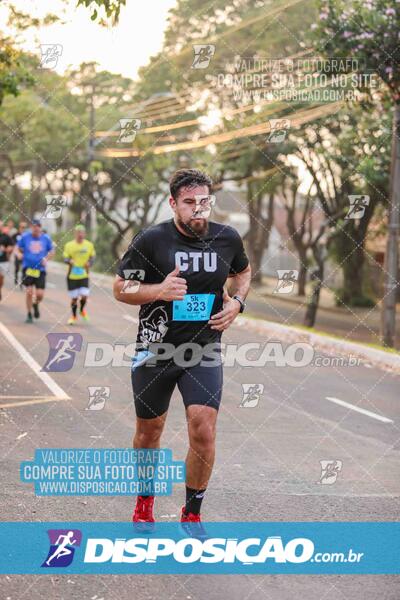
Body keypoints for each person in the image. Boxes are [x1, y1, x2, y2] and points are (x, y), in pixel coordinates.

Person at [114, 168, 251, 534]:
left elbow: (244, 273)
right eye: (189, 202)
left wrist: (237, 302)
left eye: (203, 201)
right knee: (149, 432)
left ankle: (192, 513)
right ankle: (145, 502)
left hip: (203, 350)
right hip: (154, 351)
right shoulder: (151, 240)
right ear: (173, 203)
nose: (198, 209)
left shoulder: (228, 238)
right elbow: (120, 288)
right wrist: (158, 291)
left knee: (203, 428)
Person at [17, 219, 54, 323]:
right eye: (34, 226)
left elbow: (52, 250)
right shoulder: (25, 237)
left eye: (38, 226)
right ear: (31, 227)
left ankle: (36, 304)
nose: (36, 228)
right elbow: (17, 248)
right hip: (28, 269)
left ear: (40, 227)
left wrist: (46, 259)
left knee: (40, 294)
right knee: (29, 292)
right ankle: (29, 314)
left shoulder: (46, 238)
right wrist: (19, 254)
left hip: (40, 270)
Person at [63, 224, 95, 325]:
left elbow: (92, 257)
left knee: (85, 295)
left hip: (84, 275)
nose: (80, 234)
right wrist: (69, 261)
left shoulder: (89, 245)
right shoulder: (69, 245)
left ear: (84, 234)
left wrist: (90, 263)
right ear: (75, 234)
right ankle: (74, 316)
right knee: (74, 298)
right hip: (72, 275)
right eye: (78, 232)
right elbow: (65, 258)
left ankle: (81, 310)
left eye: (82, 232)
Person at [0, 220, 14, 301]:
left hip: (3, 261)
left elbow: (11, 247)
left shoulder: (6, 236)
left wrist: (5, 249)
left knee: (1, 279)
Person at [12, 221, 27, 286]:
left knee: (24, 268)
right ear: (19, 227)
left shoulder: (27, 235)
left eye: (24, 227)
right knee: (17, 267)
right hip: (17, 254)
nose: (23, 228)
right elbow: (12, 242)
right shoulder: (16, 235)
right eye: (22, 227)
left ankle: (22, 281)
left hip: (25, 254)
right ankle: (16, 279)